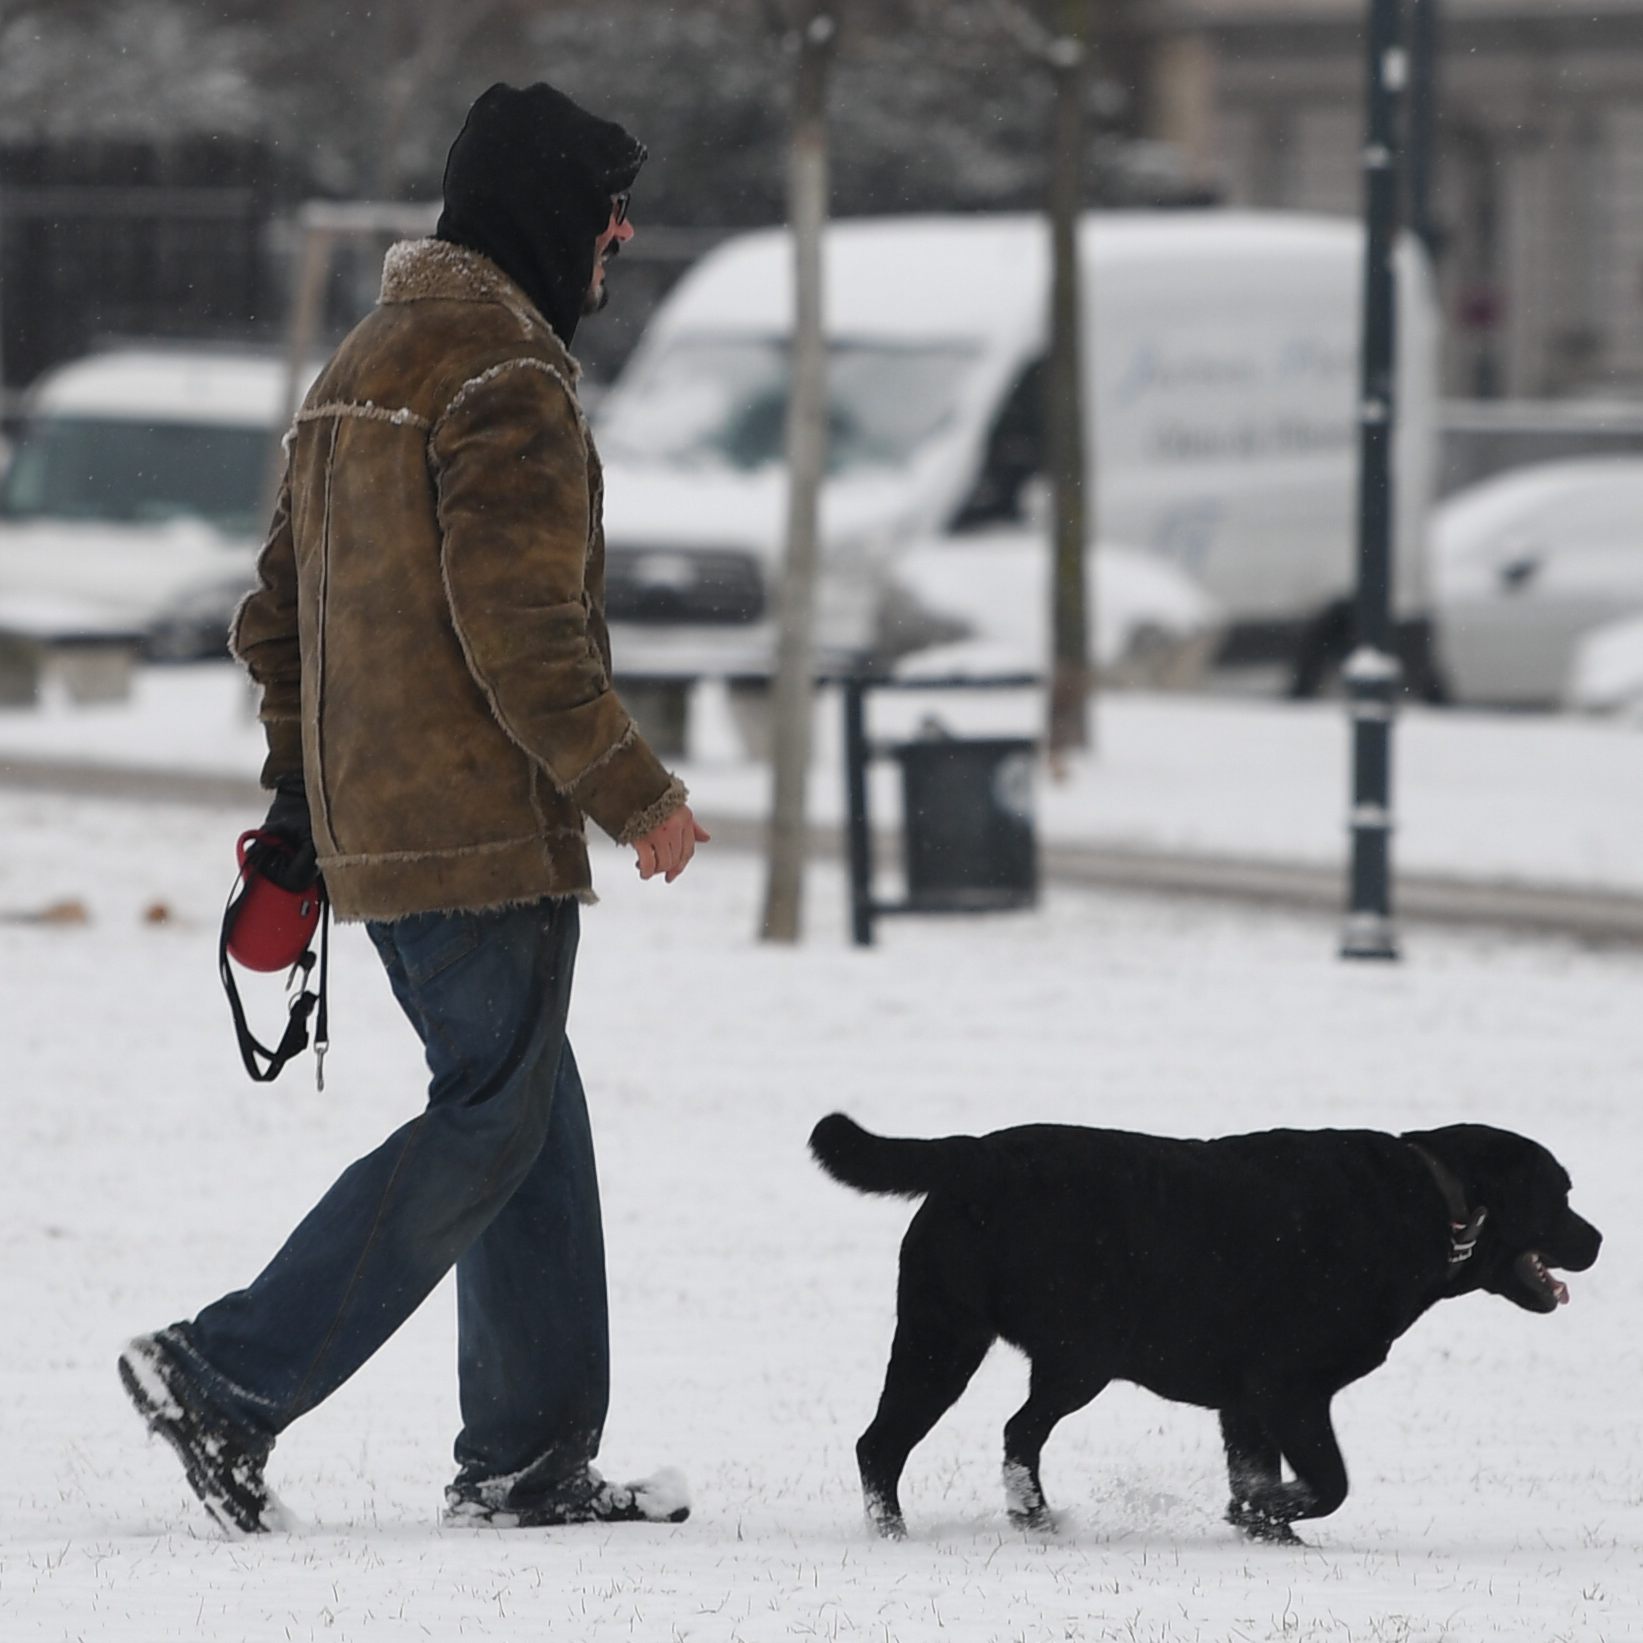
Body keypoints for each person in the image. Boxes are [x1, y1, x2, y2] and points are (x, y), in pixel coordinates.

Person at [118, 82, 709, 1535]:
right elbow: (521, 630)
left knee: (525, 1108)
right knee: (490, 1117)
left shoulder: (362, 362)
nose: (619, 235)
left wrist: (310, 793)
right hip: (474, 831)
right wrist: (634, 791)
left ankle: (526, 1452)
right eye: (601, 205)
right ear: (541, 210)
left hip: (390, 825)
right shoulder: (504, 373)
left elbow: (276, 623)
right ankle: (227, 1373)